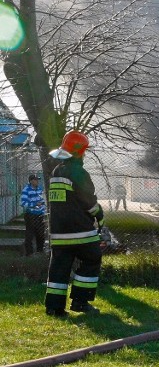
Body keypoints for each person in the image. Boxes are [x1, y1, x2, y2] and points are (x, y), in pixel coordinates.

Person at [45, 131, 105, 317]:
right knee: (92, 258)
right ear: (79, 152)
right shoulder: (78, 172)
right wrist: (100, 216)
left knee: (59, 267)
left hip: (58, 232)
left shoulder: (57, 172)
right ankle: (80, 301)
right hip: (80, 232)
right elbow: (89, 202)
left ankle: (54, 308)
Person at [21, 174, 47, 256]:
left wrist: (43, 211)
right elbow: (23, 203)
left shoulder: (40, 189)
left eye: (37, 180)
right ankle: (29, 253)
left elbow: (43, 202)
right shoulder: (26, 190)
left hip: (40, 215)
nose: (37, 181)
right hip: (30, 215)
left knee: (41, 234)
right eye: (35, 180)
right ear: (31, 181)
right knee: (30, 234)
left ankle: (40, 251)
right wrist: (35, 204)